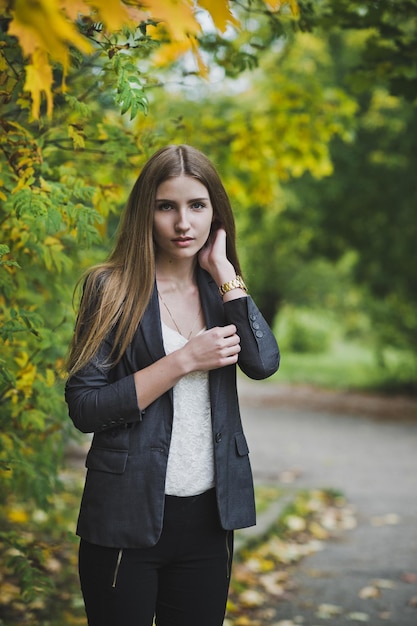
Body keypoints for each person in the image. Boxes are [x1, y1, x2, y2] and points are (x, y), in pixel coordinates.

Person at [65, 144, 280, 626]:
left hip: (209, 520)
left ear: (215, 214)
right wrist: (183, 360)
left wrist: (225, 273)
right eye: (167, 206)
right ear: (147, 212)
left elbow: (263, 363)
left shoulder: (221, 291)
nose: (183, 222)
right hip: (126, 517)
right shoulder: (111, 289)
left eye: (197, 206)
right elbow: (86, 406)